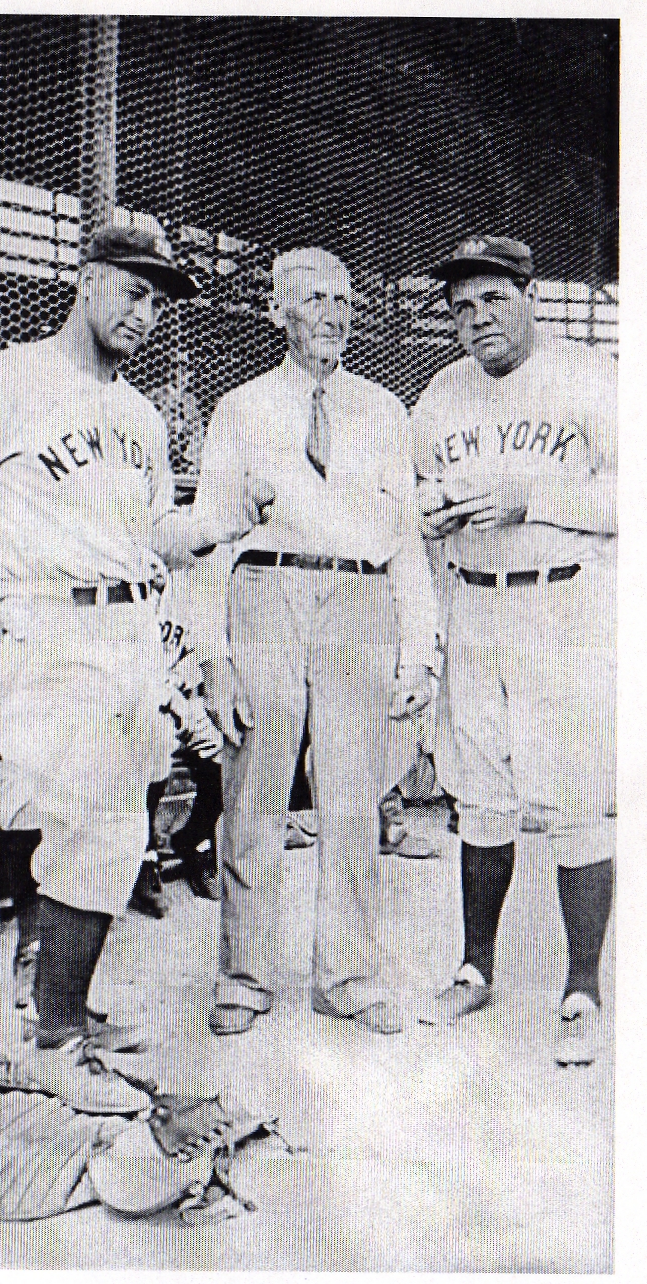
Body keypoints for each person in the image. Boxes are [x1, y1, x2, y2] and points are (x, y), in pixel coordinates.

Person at [0, 216, 274, 1107]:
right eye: (134, 290)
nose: (146, 313)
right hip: (41, 626)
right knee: (102, 823)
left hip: (125, 635)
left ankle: (59, 1010)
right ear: (88, 277)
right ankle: (57, 1030)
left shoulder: (139, 414)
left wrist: (226, 521)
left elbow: (150, 538)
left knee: (104, 829)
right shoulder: (8, 378)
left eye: (159, 300)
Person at [191, 246, 439, 1037]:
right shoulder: (241, 409)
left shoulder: (383, 411)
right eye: (316, 299)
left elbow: (405, 543)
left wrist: (420, 652)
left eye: (344, 298)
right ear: (277, 312)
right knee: (255, 792)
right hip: (265, 588)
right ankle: (245, 974)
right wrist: (214, 659)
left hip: (360, 600)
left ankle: (349, 973)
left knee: (351, 799)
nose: (335, 313)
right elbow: (207, 542)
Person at [411, 235, 616, 1066]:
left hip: (562, 605)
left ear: (529, 295)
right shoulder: (440, 394)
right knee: (482, 795)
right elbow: (419, 490)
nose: (476, 318)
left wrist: (532, 497)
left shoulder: (590, 375)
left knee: (573, 798)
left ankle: (582, 987)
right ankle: (474, 968)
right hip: (475, 605)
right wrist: (429, 515)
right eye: (461, 307)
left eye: (492, 299)